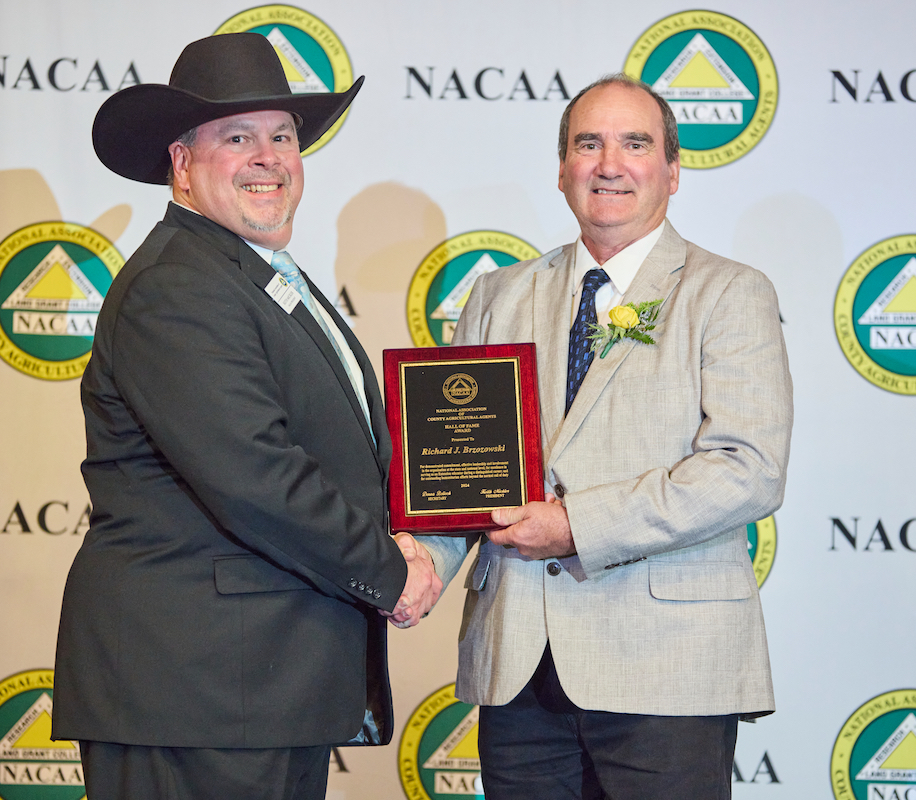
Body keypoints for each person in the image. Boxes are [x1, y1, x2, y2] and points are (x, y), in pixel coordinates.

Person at [52, 33, 440, 800]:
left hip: (252, 696)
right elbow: (255, 476)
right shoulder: (180, 287)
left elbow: (334, 451)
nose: (268, 157)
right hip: (197, 696)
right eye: (238, 138)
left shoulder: (248, 274)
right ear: (182, 164)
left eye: (282, 137)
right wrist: (390, 571)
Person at [417, 74, 793, 799]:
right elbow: (459, 471)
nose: (609, 163)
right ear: (563, 169)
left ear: (673, 171)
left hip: (668, 670)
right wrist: (420, 562)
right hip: (519, 663)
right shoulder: (499, 295)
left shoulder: (729, 292)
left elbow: (747, 469)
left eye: (634, 143)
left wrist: (574, 525)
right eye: (588, 144)